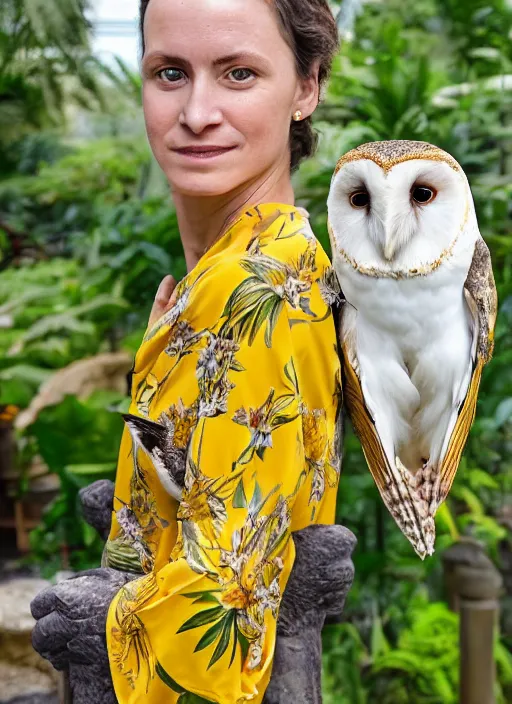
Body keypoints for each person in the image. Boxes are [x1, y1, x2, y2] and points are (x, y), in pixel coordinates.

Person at [34, 1, 344, 702]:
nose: (197, 111)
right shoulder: (232, 271)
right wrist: (145, 501)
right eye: (170, 72)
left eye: (238, 74)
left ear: (306, 87)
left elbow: (222, 619)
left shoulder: (252, 283)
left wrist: (106, 618)